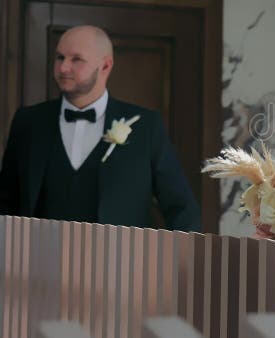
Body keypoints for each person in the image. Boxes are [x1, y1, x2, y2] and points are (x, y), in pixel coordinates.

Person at [0, 25, 201, 231]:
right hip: (38, 258)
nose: (63, 68)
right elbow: (5, 200)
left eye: (76, 59)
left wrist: (177, 261)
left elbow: (181, 207)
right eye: (60, 57)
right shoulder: (28, 122)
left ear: (105, 66)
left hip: (119, 260)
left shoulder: (146, 127)